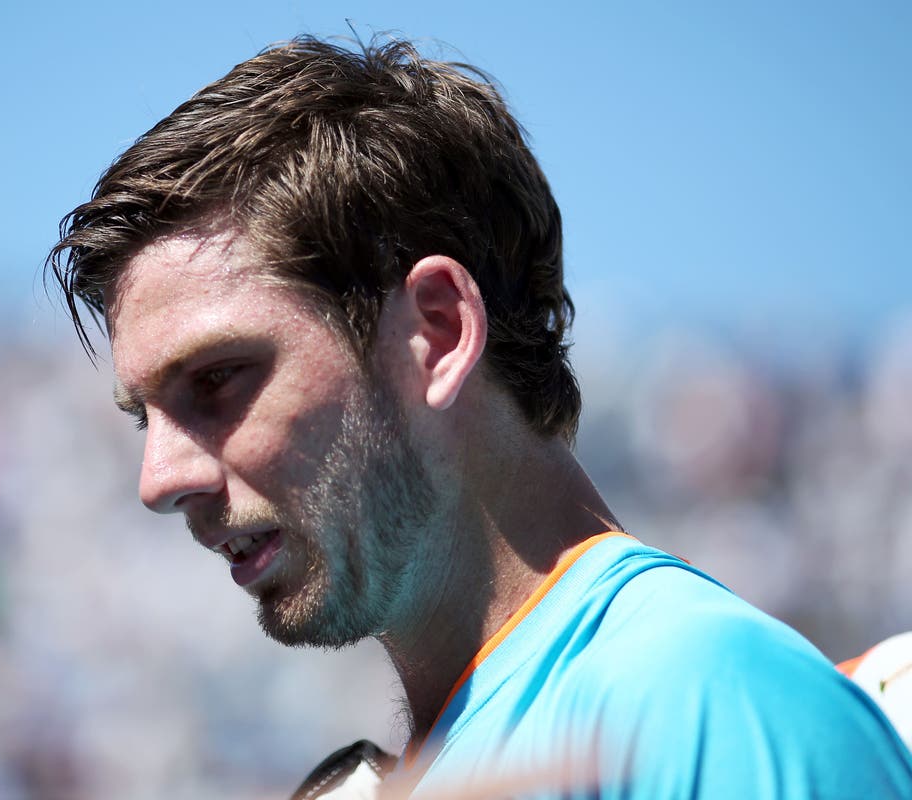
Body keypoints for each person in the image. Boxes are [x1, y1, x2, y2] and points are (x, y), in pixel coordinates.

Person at [47, 35, 912, 798]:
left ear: (438, 332)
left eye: (218, 380)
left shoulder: (698, 702)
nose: (159, 480)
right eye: (143, 418)